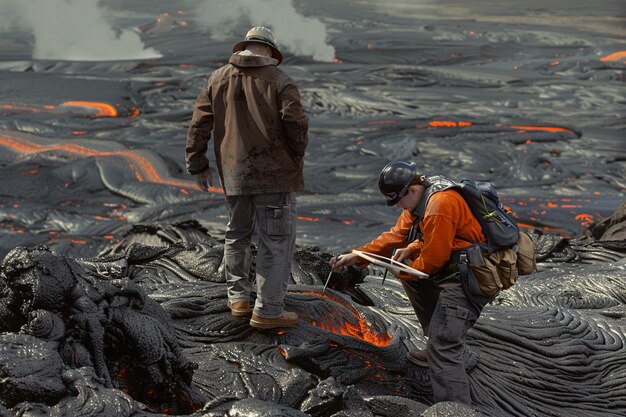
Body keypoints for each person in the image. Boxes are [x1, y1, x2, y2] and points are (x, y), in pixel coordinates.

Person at [330, 161, 493, 405]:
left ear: (412, 191)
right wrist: (358, 255)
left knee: (444, 348)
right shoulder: (422, 197)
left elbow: (433, 261)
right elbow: (395, 236)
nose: (397, 206)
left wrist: (402, 271)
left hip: (472, 274)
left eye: (397, 200)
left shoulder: (439, 204)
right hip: (456, 264)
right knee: (410, 270)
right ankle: (436, 338)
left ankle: (456, 409)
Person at [186, 26, 309, 329]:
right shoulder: (280, 80)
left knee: (237, 233)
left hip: (234, 174)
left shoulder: (217, 78)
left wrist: (198, 165)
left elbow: (199, 125)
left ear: (244, 47)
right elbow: (295, 122)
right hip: (275, 176)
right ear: (268, 51)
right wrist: (296, 155)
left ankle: (238, 301)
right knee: (276, 240)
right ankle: (267, 311)